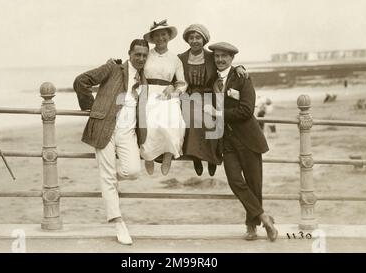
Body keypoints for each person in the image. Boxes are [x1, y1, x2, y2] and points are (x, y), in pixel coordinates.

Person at [73, 39, 149, 245]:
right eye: (137, 54)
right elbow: (81, 81)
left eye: (144, 55)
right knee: (107, 177)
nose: (141, 58)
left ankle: (110, 184)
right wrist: (93, 109)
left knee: (132, 171)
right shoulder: (113, 68)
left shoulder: (145, 78)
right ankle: (118, 223)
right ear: (129, 53)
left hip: (128, 132)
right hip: (104, 128)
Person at [204, 42, 278, 241]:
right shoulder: (211, 80)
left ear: (232, 59)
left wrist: (218, 114)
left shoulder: (242, 77)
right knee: (235, 181)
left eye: (224, 56)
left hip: (248, 139)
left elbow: (246, 111)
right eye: (217, 56)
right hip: (226, 141)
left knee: (254, 184)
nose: (220, 60)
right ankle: (264, 216)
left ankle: (251, 226)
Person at [178, 24, 248, 176]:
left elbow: (225, 65)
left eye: (198, 37)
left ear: (203, 40)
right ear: (187, 40)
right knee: (190, 117)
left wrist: (239, 68)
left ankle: (211, 158)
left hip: (209, 94)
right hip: (189, 95)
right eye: (191, 38)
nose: (195, 41)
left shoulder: (211, 56)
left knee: (212, 118)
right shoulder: (181, 58)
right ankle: (196, 157)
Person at [141, 20, 187, 175]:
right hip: (147, 92)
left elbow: (182, 82)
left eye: (163, 34)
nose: (160, 38)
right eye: (157, 35)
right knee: (150, 122)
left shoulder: (175, 59)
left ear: (168, 36)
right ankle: (148, 157)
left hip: (167, 94)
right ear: (152, 38)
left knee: (174, 121)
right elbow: (134, 70)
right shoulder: (146, 55)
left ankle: (168, 156)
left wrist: (174, 88)